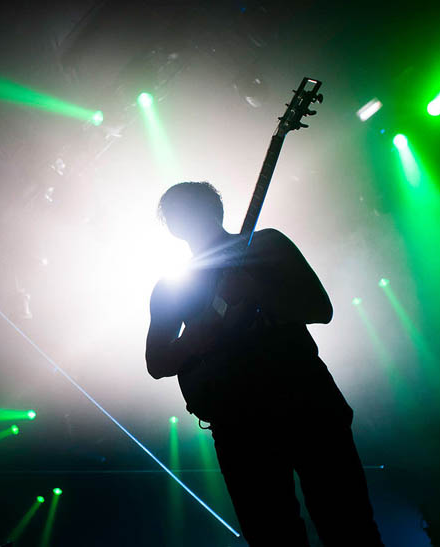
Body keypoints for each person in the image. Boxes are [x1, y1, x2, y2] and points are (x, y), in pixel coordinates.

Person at [145, 181, 383, 546]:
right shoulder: (171, 286)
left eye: (189, 207)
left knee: (349, 524)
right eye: (175, 212)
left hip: (307, 405)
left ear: (214, 209)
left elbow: (320, 309)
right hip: (237, 424)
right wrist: (199, 337)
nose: (183, 217)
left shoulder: (266, 245)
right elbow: (157, 362)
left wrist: (258, 292)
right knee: (271, 535)